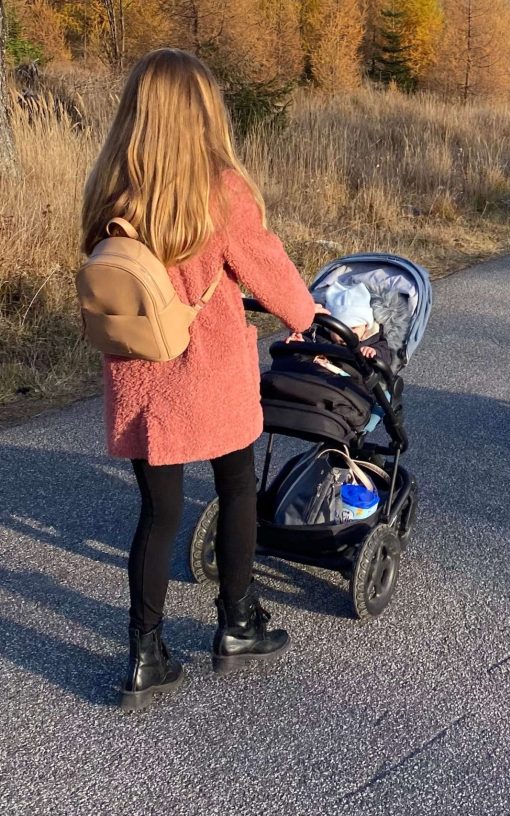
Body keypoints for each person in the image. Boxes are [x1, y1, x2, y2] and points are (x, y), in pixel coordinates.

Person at [81, 49, 319, 710]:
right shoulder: (220, 190)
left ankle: (145, 655)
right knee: (237, 487)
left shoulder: (111, 187)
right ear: (204, 112)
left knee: (158, 515)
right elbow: (267, 268)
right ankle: (238, 624)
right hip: (209, 368)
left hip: (140, 376)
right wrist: (305, 313)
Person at [312, 283, 392, 374]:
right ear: (329, 328)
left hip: (354, 380)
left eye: (353, 327)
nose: (345, 334)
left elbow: (387, 356)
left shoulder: (373, 339)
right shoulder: (320, 335)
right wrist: (299, 340)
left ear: (365, 326)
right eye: (339, 329)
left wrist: (375, 352)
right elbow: (308, 342)